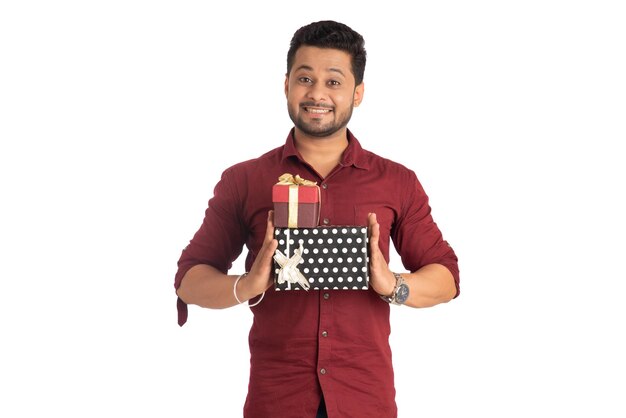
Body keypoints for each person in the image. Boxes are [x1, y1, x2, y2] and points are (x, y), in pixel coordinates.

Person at [174, 20, 460, 418]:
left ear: (357, 93)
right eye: (305, 78)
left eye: (334, 81)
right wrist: (249, 284)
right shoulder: (244, 180)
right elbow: (189, 281)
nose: (317, 94)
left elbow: (445, 278)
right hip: (277, 400)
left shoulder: (397, 181)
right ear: (287, 84)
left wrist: (392, 285)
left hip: (365, 399)